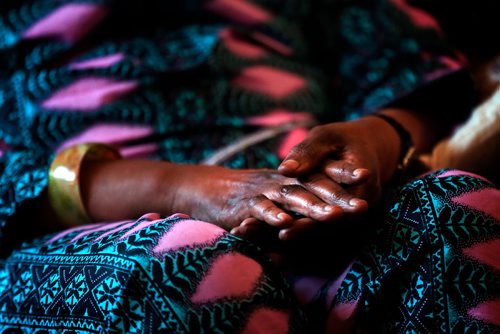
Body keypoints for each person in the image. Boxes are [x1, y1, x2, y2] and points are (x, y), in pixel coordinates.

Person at [0, 0, 498, 333]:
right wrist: (179, 190)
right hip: (81, 221)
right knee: (193, 268)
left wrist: (376, 139)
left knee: (455, 214)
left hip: (304, 198)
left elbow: (409, 67)